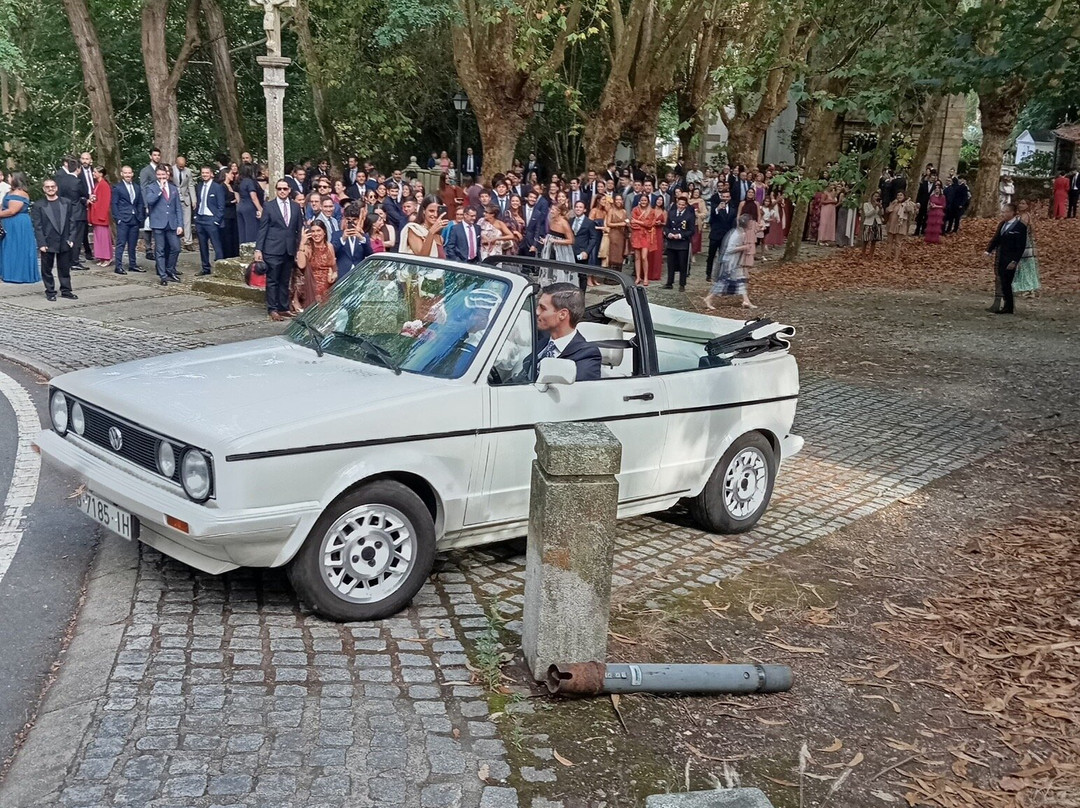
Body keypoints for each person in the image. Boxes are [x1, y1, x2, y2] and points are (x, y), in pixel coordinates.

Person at [529, 283, 602, 382]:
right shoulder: (541, 343)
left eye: (543, 308)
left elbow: (579, 394)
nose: (537, 312)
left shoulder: (586, 355)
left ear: (562, 314)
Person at [255, 178, 302, 322]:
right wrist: (258, 249)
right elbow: (263, 229)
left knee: (284, 280)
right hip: (272, 248)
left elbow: (298, 229)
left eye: (285, 189)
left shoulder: (295, 207)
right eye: (279, 189)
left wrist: (298, 248)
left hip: (289, 249)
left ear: (289, 190)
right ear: (276, 190)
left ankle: (283, 307)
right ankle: (273, 309)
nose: (282, 191)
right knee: (273, 280)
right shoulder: (269, 206)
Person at [30, 177, 77, 300]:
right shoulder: (38, 205)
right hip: (47, 241)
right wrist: (41, 243)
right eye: (47, 187)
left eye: (52, 186)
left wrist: (72, 238)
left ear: (56, 188)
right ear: (43, 189)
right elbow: (37, 226)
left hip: (65, 240)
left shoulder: (66, 202)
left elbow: (72, 221)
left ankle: (66, 290)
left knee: (64, 268)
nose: (50, 189)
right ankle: (50, 292)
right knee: (47, 269)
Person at [703, 214, 755, 311]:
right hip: (730, 262)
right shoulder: (737, 234)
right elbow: (729, 249)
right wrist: (743, 247)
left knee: (741, 281)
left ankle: (746, 300)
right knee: (723, 282)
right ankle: (708, 298)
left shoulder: (740, 233)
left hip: (735, 262)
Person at [985, 203, 1027, 315]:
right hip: (1001, 257)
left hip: (1011, 258)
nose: (1003, 214)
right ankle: (1006, 305)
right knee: (1003, 282)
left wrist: (1015, 261)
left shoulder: (1020, 227)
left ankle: (1009, 306)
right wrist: (988, 250)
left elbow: (1021, 246)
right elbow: (996, 239)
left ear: (1012, 212)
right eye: (1002, 211)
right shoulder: (1002, 224)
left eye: (1005, 211)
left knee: (1007, 282)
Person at [144, 165, 183, 285]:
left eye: (163, 175)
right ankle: (163, 276)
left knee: (176, 248)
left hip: (171, 223)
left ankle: (170, 269)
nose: (161, 177)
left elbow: (178, 208)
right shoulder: (151, 187)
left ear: (167, 174)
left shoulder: (173, 188)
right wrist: (160, 190)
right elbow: (150, 201)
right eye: (159, 175)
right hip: (158, 223)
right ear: (156, 175)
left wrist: (180, 224)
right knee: (160, 250)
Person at [0, 173, 40, 285]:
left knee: (18, 246)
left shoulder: (19, 193)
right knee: (10, 246)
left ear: (15, 179)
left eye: (10, 176)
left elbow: (12, 210)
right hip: (9, 222)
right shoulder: (10, 192)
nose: (8, 178)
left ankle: (18, 274)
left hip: (18, 223)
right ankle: (9, 272)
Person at [54, 155, 89, 271]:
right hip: (78, 212)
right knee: (77, 238)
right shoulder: (77, 182)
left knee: (68, 236)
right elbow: (84, 194)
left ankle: (67, 260)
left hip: (66, 211)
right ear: (78, 169)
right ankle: (74, 261)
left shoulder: (61, 181)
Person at [294, 220, 337, 310]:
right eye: (313, 231)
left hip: (328, 286)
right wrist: (302, 243)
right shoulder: (307, 247)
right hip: (312, 287)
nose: (316, 234)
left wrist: (334, 275)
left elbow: (334, 266)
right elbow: (301, 265)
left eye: (318, 231)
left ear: (324, 232)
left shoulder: (329, 246)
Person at [194, 166, 226, 276]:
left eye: (207, 173)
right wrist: (196, 217)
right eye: (203, 173)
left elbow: (221, 206)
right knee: (203, 246)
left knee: (216, 245)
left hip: (211, 220)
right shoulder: (199, 186)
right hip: (200, 219)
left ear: (211, 174)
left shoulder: (217, 187)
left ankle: (220, 269)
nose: (204, 175)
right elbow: (198, 202)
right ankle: (205, 268)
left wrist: (216, 220)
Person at [662, 194, 695, 290]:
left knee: (682, 264)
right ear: (677, 204)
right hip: (672, 242)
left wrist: (680, 235)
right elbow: (667, 226)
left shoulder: (689, 215)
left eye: (682, 205)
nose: (680, 206)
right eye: (679, 204)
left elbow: (691, 230)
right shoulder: (671, 213)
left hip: (682, 243)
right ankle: (669, 282)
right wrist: (668, 234)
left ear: (685, 205)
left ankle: (682, 284)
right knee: (670, 264)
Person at [331, 203, 373, 279]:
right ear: (344, 220)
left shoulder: (364, 236)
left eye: (354, 220)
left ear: (358, 220)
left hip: (359, 274)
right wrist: (342, 239)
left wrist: (361, 238)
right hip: (342, 274)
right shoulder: (336, 235)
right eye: (348, 220)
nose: (351, 222)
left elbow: (369, 254)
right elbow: (331, 252)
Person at [706, 188, 737, 282]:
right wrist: (717, 209)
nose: (725, 199)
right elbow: (711, 220)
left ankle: (721, 274)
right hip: (715, 235)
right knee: (711, 255)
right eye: (723, 197)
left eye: (727, 197)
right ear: (721, 197)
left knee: (724, 256)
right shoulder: (715, 206)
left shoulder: (733, 208)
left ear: (730, 197)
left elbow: (733, 223)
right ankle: (708, 274)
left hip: (726, 236)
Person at [1012, 199, 1040, 299]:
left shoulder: (1026, 216)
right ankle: (1023, 287)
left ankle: (1030, 288)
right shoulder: (1018, 216)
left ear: (1027, 206)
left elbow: (1022, 229)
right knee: (1020, 265)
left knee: (1027, 265)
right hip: (1018, 242)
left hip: (1025, 243)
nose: (1021, 205)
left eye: (1023, 204)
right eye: (1020, 203)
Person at [139, 147, 162, 261]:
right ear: (150, 156)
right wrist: (146, 204)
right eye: (154, 155)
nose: (156, 157)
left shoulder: (161, 169)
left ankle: (159, 248)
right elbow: (143, 187)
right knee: (148, 226)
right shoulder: (146, 170)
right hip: (149, 200)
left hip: (160, 201)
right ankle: (148, 248)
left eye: (158, 155)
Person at [87, 166, 113, 266]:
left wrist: (95, 205)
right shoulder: (98, 184)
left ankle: (107, 257)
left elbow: (105, 202)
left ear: (101, 174)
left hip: (101, 216)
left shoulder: (104, 185)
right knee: (98, 237)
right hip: (96, 215)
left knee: (103, 238)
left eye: (95, 172)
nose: (93, 174)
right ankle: (101, 257)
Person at [885, 191, 916, 265]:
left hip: (900, 225)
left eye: (901, 195)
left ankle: (896, 257)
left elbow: (910, 210)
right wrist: (893, 204)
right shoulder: (894, 203)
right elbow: (887, 210)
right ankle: (887, 256)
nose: (899, 196)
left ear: (904, 196)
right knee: (889, 242)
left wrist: (907, 202)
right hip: (891, 224)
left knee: (897, 243)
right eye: (898, 195)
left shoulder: (906, 204)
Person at [629, 193, 654, 286]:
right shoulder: (635, 210)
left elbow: (649, 224)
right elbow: (632, 223)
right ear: (639, 201)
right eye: (642, 200)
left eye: (645, 200)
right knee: (637, 257)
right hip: (636, 235)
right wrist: (640, 223)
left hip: (646, 236)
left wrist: (638, 221)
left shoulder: (651, 211)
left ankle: (646, 277)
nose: (643, 202)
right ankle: (638, 277)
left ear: (648, 201)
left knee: (644, 257)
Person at [236, 163, 263, 244]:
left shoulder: (240, 182)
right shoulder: (250, 182)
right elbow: (253, 197)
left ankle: (243, 249)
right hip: (249, 207)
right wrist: (260, 209)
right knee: (251, 230)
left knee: (242, 230)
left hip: (241, 206)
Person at [173, 156, 195, 249]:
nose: (182, 167)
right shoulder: (171, 170)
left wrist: (193, 200)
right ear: (176, 163)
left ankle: (188, 242)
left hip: (185, 198)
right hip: (174, 198)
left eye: (183, 165)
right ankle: (175, 241)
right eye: (180, 166)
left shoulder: (188, 171)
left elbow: (190, 185)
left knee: (187, 221)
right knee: (175, 221)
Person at [603, 194, 628, 270]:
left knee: (619, 255)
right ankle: (610, 277)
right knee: (613, 254)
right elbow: (608, 223)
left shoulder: (624, 211)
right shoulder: (611, 211)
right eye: (617, 199)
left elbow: (626, 222)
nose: (618, 201)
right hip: (613, 235)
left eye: (620, 199)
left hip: (622, 235)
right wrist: (620, 224)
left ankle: (619, 273)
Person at [861, 192, 884, 259]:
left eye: (877, 196)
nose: (876, 198)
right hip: (868, 223)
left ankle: (871, 255)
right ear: (872, 197)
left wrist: (880, 207)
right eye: (875, 196)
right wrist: (874, 207)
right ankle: (863, 254)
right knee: (866, 240)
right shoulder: (866, 204)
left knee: (874, 240)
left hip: (876, 222)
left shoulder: (879, 205)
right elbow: (867, 214)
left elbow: (881, 214)